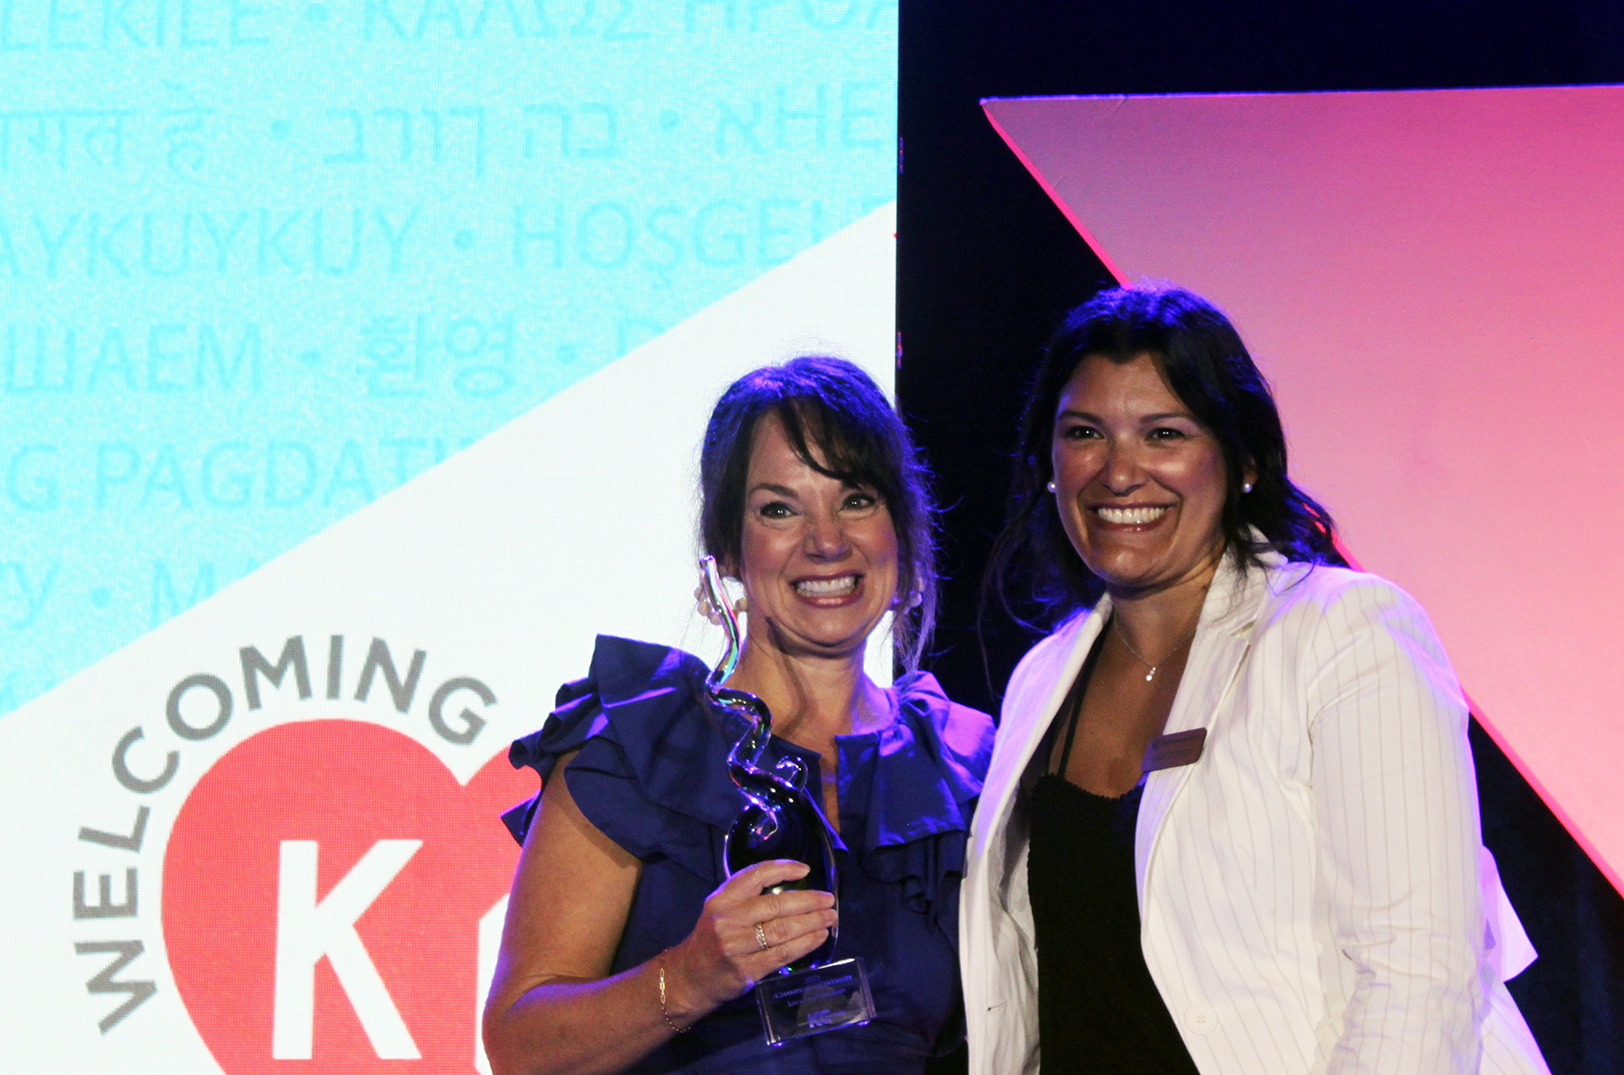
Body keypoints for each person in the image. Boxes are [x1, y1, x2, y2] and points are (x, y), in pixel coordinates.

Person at [960, 286, 1550, 1075]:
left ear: (1241, 462)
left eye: (1164, 433)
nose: (1120, 471)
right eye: (1085, 433)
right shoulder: (1043, 678)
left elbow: (1415, 978)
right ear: (1048, 461)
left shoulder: (1345, 632)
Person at [484, 356, 994, 1075]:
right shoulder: (641, 743)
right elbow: (519, 1046)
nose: (825, 541)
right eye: (779, 508)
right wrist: (689, 977)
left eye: (856, 499)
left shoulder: (963, 765)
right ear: (728, 548)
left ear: (901, 529)